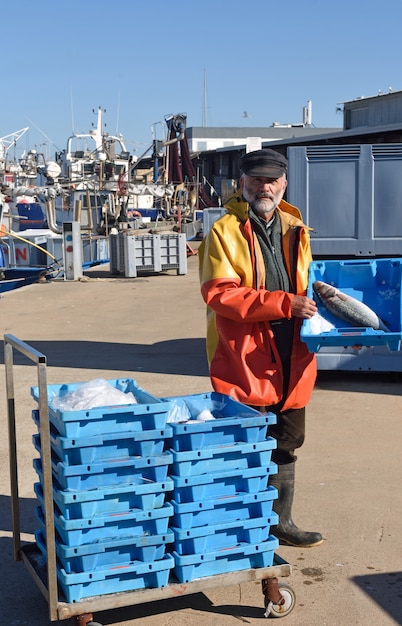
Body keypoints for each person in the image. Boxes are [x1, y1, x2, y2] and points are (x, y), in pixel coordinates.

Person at [198, 148, 323, 547]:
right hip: (245, 357)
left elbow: (305, 281)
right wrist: (285, 304)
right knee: (244, 443)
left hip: (294, 353)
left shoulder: (297, 227)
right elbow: (221, 295)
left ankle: (280, 523)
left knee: (287, 441)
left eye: (272, 180)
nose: (264, 187)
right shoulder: (223, 232)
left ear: (284, 183)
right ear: (242, 183)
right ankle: (241, 526)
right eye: (256, 180)